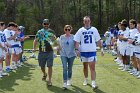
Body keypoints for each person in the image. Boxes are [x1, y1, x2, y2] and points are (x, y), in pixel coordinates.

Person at [74, 16, 104, 89]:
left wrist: (102, 49)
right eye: (85, 21)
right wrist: (77, 50)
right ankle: (86, 79)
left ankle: (93, 83)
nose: (87, 22)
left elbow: (98, 40)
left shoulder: (94, 29)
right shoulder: (80, 30)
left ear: (90, 21)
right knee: (85, 67)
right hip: (83, 51)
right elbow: (77, 41)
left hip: (92, 51)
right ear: (83, 22)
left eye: (88, 21)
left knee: (92, 67)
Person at [33, 19, 56, 86]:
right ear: (42, 24)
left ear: (49, 24)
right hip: (41, 52)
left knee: (50, 66)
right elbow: (35, 40)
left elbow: (54, 41)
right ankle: (44, 74)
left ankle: (49, 80)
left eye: (47, 24)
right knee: (42, 66)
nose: (46, 25)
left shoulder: (51, 31)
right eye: (45, 24)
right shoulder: (39, 32)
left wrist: (58, 48)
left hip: (50, 52)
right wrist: (34, 48)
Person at [58, 25, 76, 89]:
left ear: (71, 30)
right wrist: (57, 48)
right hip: (63, 54)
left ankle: (69, 79)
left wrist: (78, 51)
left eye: (69, 29)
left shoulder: (74, 37)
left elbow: (77, 45)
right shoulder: (61, 37)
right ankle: (65, 83)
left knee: (70, 68)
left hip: (72, 55)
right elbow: (59, 46)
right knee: (65, 68)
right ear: (64, 30)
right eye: (66, 29)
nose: (67, 31)